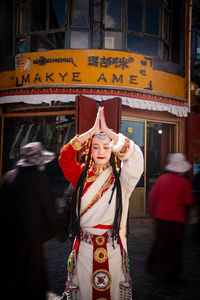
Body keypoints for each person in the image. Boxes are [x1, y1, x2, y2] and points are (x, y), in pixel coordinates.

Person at [58, 107, 144, 300]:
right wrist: (89, 133)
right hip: (85, 248)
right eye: (95, 147)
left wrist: (111, 134)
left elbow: (137, 159)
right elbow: (65, 158)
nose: (101, 152)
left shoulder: (122, 178)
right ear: (88, 150)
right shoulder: (80, 175)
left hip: (112, 246)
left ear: (113, 149)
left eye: (106, 147)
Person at [0, 142, 59, 300]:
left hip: (11, 236)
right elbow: (48, 207)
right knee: (34, 275)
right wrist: (58, 231)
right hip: (34, 236)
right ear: (38, 161)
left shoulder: (9, 176)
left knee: (14, 271)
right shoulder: (39, 178)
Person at [145, 153, 195, 286]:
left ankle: (158, 269)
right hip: (177, 221)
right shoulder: (184, 183)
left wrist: (152, 213)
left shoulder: (161, 180)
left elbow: (153, 197)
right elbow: (188, 201)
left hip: (161, 219)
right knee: (175, 248)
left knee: (161, 245)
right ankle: (171, 273)